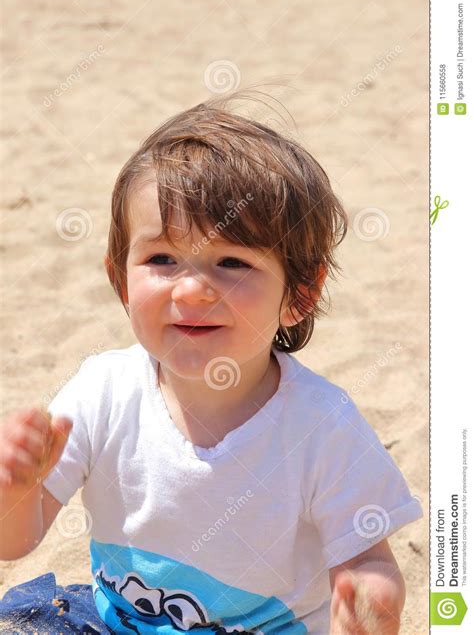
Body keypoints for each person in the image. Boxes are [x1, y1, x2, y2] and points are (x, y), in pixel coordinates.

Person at [0, 92, 423, 634]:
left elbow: (368, 559)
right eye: (162, 259)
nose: (194, 289)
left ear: (299, 292)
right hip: (118, 623)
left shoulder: (320, 426)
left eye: (231, 262)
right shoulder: (103, 390)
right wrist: (16, 488)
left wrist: (370, 602)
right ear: (121, 279)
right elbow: (18, 540)